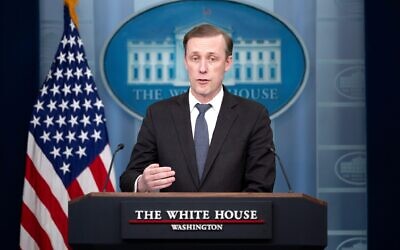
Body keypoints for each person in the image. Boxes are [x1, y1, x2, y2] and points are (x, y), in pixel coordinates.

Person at [120, 24, 275, 192]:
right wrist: (142, 183)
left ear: (228, 62)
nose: (202, 69)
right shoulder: (158, 114)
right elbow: (129, 178)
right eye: (195, 58)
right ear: (185, 61)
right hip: (172, 218)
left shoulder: (253, 116)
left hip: (230, 217)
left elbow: (260, 187)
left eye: (212, 58)